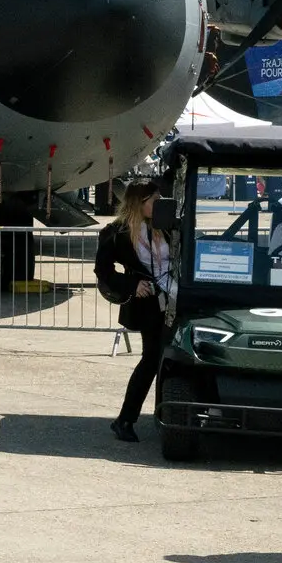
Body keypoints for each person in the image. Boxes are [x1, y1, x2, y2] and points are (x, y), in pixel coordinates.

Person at [96, 179, 175, 442]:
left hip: (174, 298)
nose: (159, 204)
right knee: (152, 360)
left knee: (169, 360)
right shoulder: (117, 232)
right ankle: (126, 419)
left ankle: (166, 416)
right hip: (149, 305)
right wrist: (131, 283)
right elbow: (103, 271)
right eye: (154, 200)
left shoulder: (166, 226)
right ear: (139, 203)